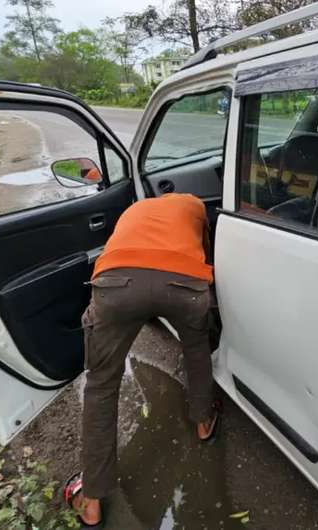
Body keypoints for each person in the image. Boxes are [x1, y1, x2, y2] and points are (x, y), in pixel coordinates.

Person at [64, 192, 219, 527]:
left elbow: (126, 256)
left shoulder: (132, 210)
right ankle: (203, 422)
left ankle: (91, 500)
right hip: (183, 283)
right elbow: (206, 253)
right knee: (195, 348)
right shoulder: (194, 205)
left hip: (117, 285)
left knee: (101, 385)